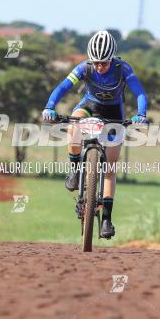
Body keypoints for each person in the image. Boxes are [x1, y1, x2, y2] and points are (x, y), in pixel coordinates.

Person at [42, 30, 148, 239]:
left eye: (104, 63)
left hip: (114, 113)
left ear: (112, 59)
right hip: (89, 106)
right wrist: (50, 106)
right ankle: (75, 171)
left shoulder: (123, 68)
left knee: (110, 167)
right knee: (74, 124)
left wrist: (141, 114)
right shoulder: (84, 67)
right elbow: (64, 86)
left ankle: (107, 219)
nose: (100, 66)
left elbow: (140, 93)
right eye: (97, 62)